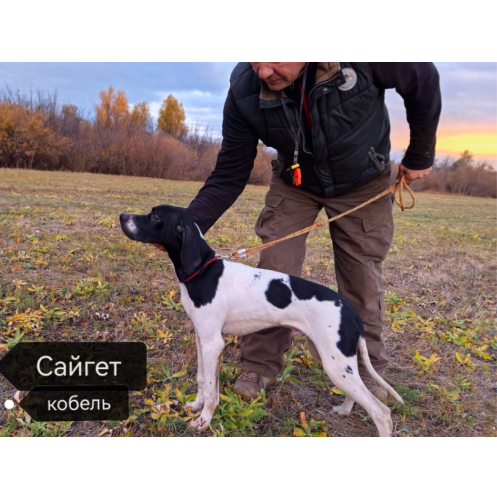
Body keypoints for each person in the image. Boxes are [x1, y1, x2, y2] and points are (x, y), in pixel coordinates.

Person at [166, 62, 441, 399]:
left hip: (363, 181)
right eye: (256, 58)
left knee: (361, 279)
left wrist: (420, 152)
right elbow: (230, 170)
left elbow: (421, 77)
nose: (264, 71)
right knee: (273, 270)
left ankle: (365, 371)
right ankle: (259, 365)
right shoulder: (245, 88)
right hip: (294, 183)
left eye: (275, 57)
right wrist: (187, 229)